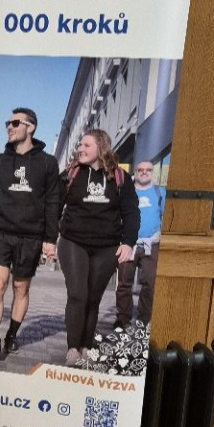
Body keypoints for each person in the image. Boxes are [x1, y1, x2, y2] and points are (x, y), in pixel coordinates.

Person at [0, 108, 60, 358]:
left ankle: (11, 335)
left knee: (21, 288)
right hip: (0, 231)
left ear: (31, 127)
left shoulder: (48, 163)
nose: (9, 126)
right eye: (7, 122)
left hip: (31, 236)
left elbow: (53, 202)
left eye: (15, 122)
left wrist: (50, 239)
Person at [57, 129, 140, 366]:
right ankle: (73, 348)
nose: (80, 149)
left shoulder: (120, 177)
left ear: (101, 147)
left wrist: (128, 242)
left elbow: (131, 213)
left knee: (93, 298)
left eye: (86, 145)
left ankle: (86, 346)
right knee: (78, 294)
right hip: (73, 241)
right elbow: (53, 206)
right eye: (80, 145)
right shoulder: (71, 174)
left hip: (106, 247)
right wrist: (48, 238)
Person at [115, 161, 165, 328]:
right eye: (140, 169)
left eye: (148, 170)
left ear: (153, 172)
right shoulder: (126, 191)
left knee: (150, 283)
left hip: (152, 243)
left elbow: (167, 217)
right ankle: (123, 319)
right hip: (128, 243)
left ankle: (143, 320)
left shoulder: (160, 192)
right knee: (124, 283)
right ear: (135, 172)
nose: (144, 172)